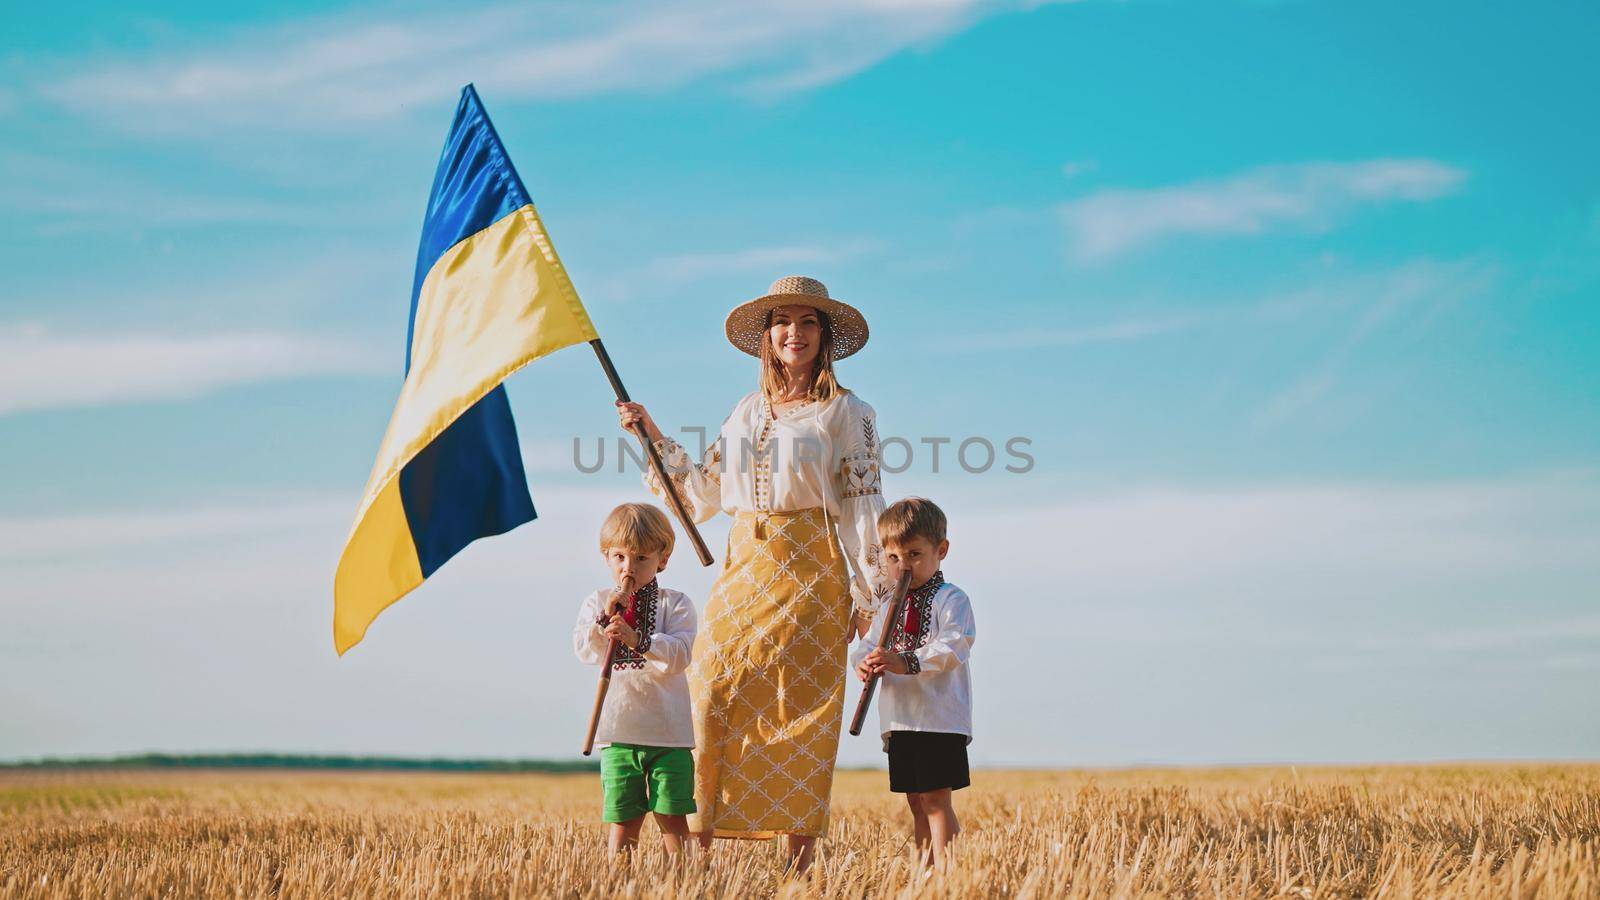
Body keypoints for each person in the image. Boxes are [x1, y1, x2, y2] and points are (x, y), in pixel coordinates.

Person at [617, 275, 893, 873]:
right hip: (745, 568)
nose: (795, 332)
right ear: (768, 337)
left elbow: (863, 504)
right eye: (783, 322)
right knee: (711, 691)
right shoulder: (745, 410)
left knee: (802, 709)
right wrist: (653, 436)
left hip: (812, 570)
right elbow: (706, 492)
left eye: (809, 322)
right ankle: (698, 855)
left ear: (825, 337)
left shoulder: (849, 412)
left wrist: (872, 593)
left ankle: (799, 865)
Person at [851, 497, 975, 867]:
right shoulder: (889, 605)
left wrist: (905, 661)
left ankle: (949, 876)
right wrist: (864, 662)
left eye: (914, 554)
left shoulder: (950, 598)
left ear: (941, 550)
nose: (903, 566)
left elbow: (954, 645)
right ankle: (925, 873)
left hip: (938, 718)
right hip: (900, 718)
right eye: (893, 558)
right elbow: (869, 645)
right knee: (916, 802)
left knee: (937, 800)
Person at [572, 502, 699, 856]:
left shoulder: (676, 604)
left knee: (672, 816)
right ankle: (617, 885)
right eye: (620, 558)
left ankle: (687, 885)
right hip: (618, 732)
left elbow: (680, 655)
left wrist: (638, 640)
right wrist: (604, 621)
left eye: (641, 558)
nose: (629, 568)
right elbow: (584, 649)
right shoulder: (597, 602)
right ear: (607, 558)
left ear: (663, 559)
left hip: (668, 733)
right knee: (624, 819)